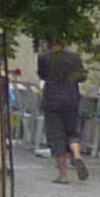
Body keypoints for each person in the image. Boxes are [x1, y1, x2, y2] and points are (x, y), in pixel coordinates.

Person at [36, 39, 90, 182]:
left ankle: (63, 176)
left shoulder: (44, 57)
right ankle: (77, 155)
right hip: (72, 98)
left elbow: (42, 75)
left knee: (56, 136)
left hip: (52, 100)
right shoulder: (74, 57)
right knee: (72, 131)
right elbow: (82, 77)